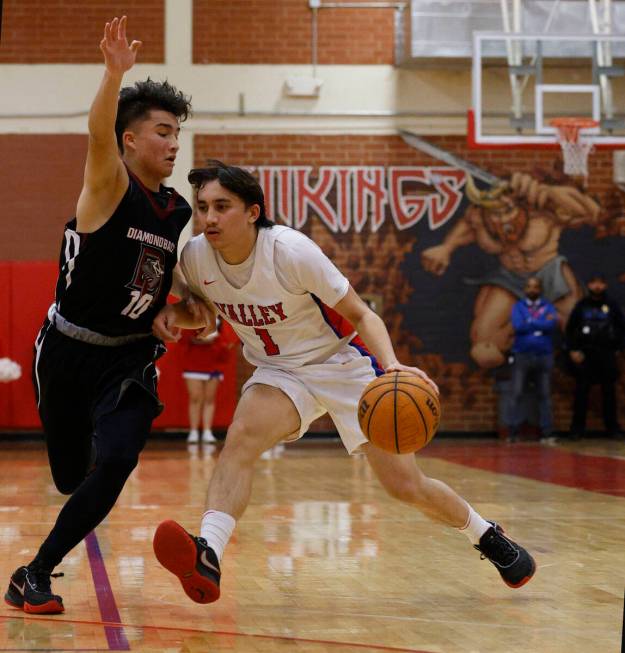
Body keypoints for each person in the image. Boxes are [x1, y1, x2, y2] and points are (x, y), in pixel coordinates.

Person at [150, 161, 536, 606]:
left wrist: (390, 366)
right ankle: (208, 553)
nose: (210, 217)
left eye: (222, 206)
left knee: (404, 485)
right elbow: (205, 313)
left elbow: (361, 314)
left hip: (341, 362)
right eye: (202, 208)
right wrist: (173, 314)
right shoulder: (196, 257)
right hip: (278, 371)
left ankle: (485, 534)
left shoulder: (291, 252)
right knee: (240, 439)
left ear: (252, 211)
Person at [4, 17, 193, 615]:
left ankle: (33, 572)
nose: (173, 142)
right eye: (162, 131)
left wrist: (178, 310)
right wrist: (113, 76)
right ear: (130, 141)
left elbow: (166, 284)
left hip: (130, 356)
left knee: (114, 462)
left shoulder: (177, 210)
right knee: (69, 478)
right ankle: (83, 453)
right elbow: (95, 135)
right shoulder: (110, 185)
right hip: (66, 350)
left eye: (177, 133)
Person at [421, 172, 600, 368]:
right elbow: (467, 227)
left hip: (550, 272)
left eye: (507, 210)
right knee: (484, 347)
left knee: (577, 330)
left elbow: (591, 212)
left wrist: (550, 193)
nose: (503, 219)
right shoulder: (481, 217)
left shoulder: (541, 208)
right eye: (495, 213)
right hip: (510, 278)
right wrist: (446, 247)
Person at [565, 273, 625, 439]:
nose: (597, 286)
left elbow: (621, 328)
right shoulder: (581, 305)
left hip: (606, 354)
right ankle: (577, 429)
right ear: (589, 285)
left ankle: (612, 428)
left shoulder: (612, 305)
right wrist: (573, 349)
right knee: (582, 392)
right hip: (586, 354)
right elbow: (570, 329)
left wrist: (618, 348)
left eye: (600, 283)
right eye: (594, 283)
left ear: (605, 285)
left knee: (609, 393)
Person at [506, 277, 558, 443]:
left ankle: (547, 433)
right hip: (522, 354)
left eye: (536, 286)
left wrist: (530, 321)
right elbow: (518, 326)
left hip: (544, 354)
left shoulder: (548, 306)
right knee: (516, 393)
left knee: (544, 394)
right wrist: (539, 325)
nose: (532, 289)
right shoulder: (519, 306)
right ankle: (512, 432)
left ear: (540, 289)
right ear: (525, 289)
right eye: (529, 286)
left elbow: (551, 325)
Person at [181, 317, 238, 444]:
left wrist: (218, 341)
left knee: (209, 399)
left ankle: (207, 431)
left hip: (213, 363)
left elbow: (228, 340)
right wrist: (198, 338)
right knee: (195, 398)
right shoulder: (193, 314)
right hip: (193, 362)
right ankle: (193, 431)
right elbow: (183, 337)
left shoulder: (221, 318)